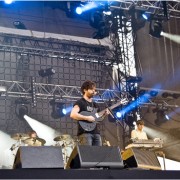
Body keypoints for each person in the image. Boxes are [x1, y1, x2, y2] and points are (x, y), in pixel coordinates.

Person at [70, 80, 108, 146]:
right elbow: (73, 114)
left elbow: (97, 120)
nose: (94, 91)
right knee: (87, 154)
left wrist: (104, 115)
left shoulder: (95, 105)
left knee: (98, 154)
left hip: (96, 133)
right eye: (91, 89)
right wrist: (87, 118)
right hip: (85, 133)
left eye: (94, 89)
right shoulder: (80, 102)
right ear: (85, 90)